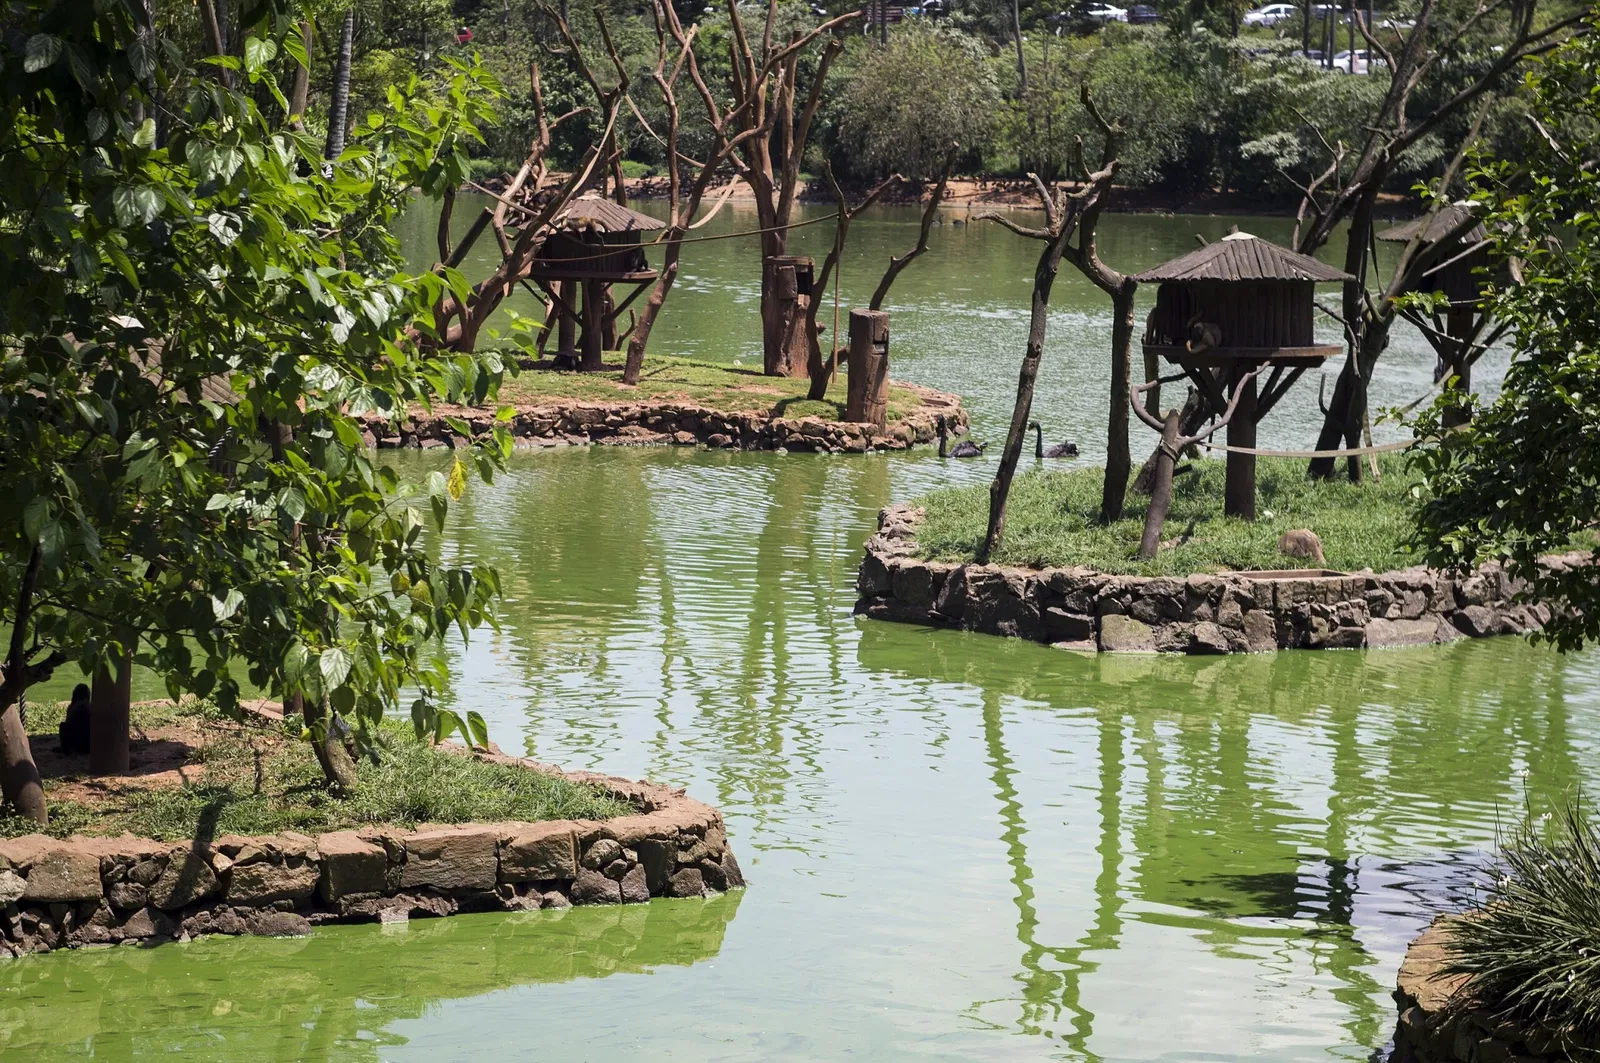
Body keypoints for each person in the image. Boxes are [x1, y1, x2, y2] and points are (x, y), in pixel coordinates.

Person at [58, 683, 92, 756]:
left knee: (63, 725)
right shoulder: (89, 706)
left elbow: (68, 721)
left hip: (74, 744)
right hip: (88, 744)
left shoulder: (72, 706)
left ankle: (64, 748)